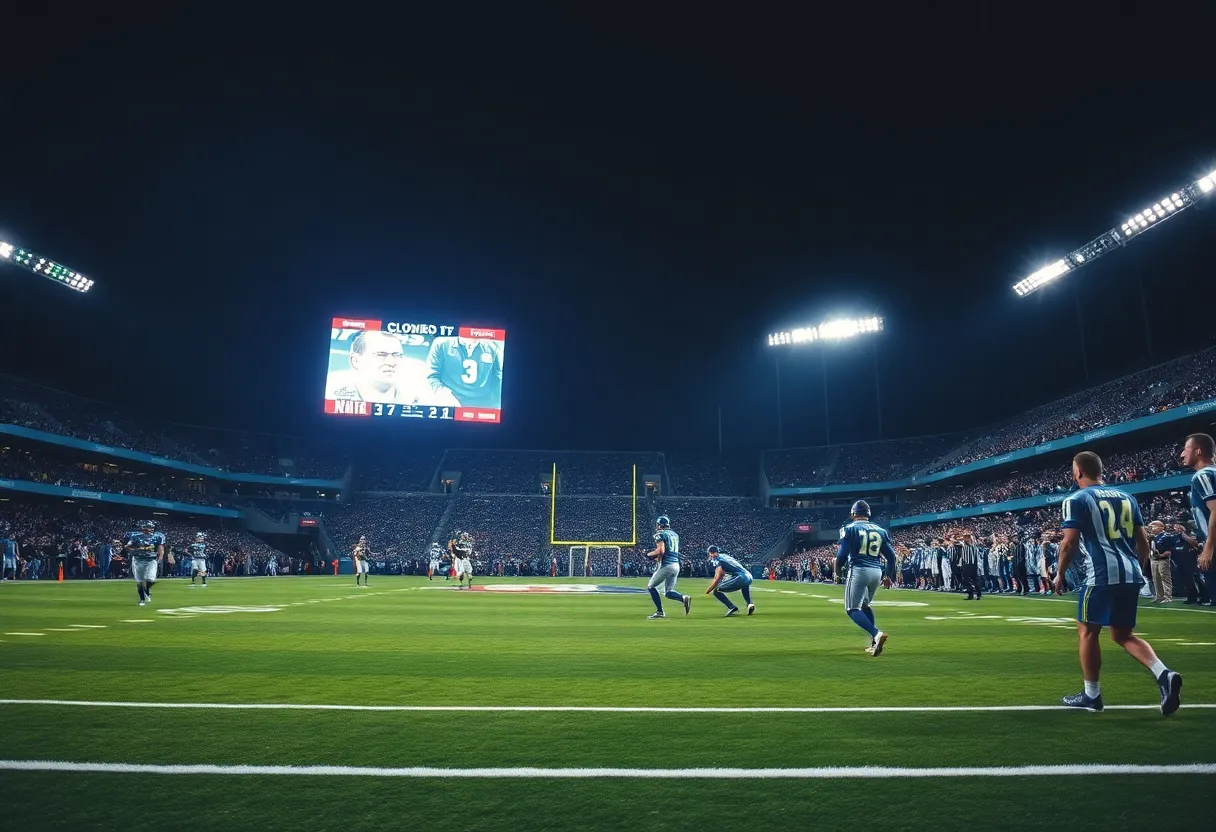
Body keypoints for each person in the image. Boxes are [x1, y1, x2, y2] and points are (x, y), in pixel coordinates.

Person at [1054, 451, 1181, 715]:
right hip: (1130, 572)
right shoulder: (1127, 497)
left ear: (1078, 472)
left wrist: (1059, 573)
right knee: (1123, 634)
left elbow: (1069, 542)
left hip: (1100, 574)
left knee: (1087, 631)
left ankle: (1092, 694)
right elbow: (1143, 540)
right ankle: (1163, 673)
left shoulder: (1076, 499)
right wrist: (1138, 567)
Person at [836, 500, 896, 656]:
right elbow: (892, 557)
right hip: (876, 571)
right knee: (865, 605)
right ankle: (875, 643)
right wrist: (889, 575)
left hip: (859, 570)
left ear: (853, 514)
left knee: (852, 608)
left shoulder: (849, 529)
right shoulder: (880, 530)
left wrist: (837, 572)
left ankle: (876, 634)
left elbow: (841, 555)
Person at [1179, 433, 1216, 600]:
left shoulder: (1203, 475)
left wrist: (1208, 547)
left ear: (1198, 451)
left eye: (1186, 450)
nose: (1182, 454)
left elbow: (1215, 509)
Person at [425, 335, 504, 409]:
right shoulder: (442, 344)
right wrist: (446, 397)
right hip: (450, 404)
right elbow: (432, 377)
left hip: (484, 408)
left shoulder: (493, 347)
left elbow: (499, 379)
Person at [642, 515, 691, 619]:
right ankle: (683, 598)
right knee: (668, 592)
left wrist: (648, 554)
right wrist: (656, 558)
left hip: (667, 565)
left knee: (651, 586)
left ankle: (660, 612)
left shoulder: (660, 534)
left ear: (659, 525)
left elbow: (661, 551)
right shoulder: (674, 534)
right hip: (676, 565)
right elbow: (667, 551)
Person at [122, 520, 167, 607]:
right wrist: (134, 550)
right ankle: (142, 599)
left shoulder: (158, 536)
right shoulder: (135, 536)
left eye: (151, 528)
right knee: (140, 581)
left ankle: (147, 589)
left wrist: (160, 557)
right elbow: (127, 546)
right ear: (143, 528)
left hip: (151, 559)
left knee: (150, 579)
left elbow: (161, 547)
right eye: (147, 528)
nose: (149, 530)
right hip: (138, 560)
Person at [704, 545, 755, 616]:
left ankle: (731, 607)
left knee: (716, 591)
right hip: (748, 575)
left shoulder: (717, 560)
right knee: (744, 585)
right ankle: (750, 603)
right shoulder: (725, 556)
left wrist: (708, 591)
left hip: (741, 577)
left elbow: (717, 577)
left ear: (711, 553)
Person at [1146, 521, 1174, 604]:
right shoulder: (1154, 537)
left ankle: (1167, 596)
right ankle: (1159, 596)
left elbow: (1170, 549)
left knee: (1165, 578)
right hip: (1154, 559)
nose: (1152, 529)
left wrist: (1163, 554)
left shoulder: (1166, 536)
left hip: (1162, 559)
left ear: (1160, 527)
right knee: (1156, 578)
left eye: (1153, 526)